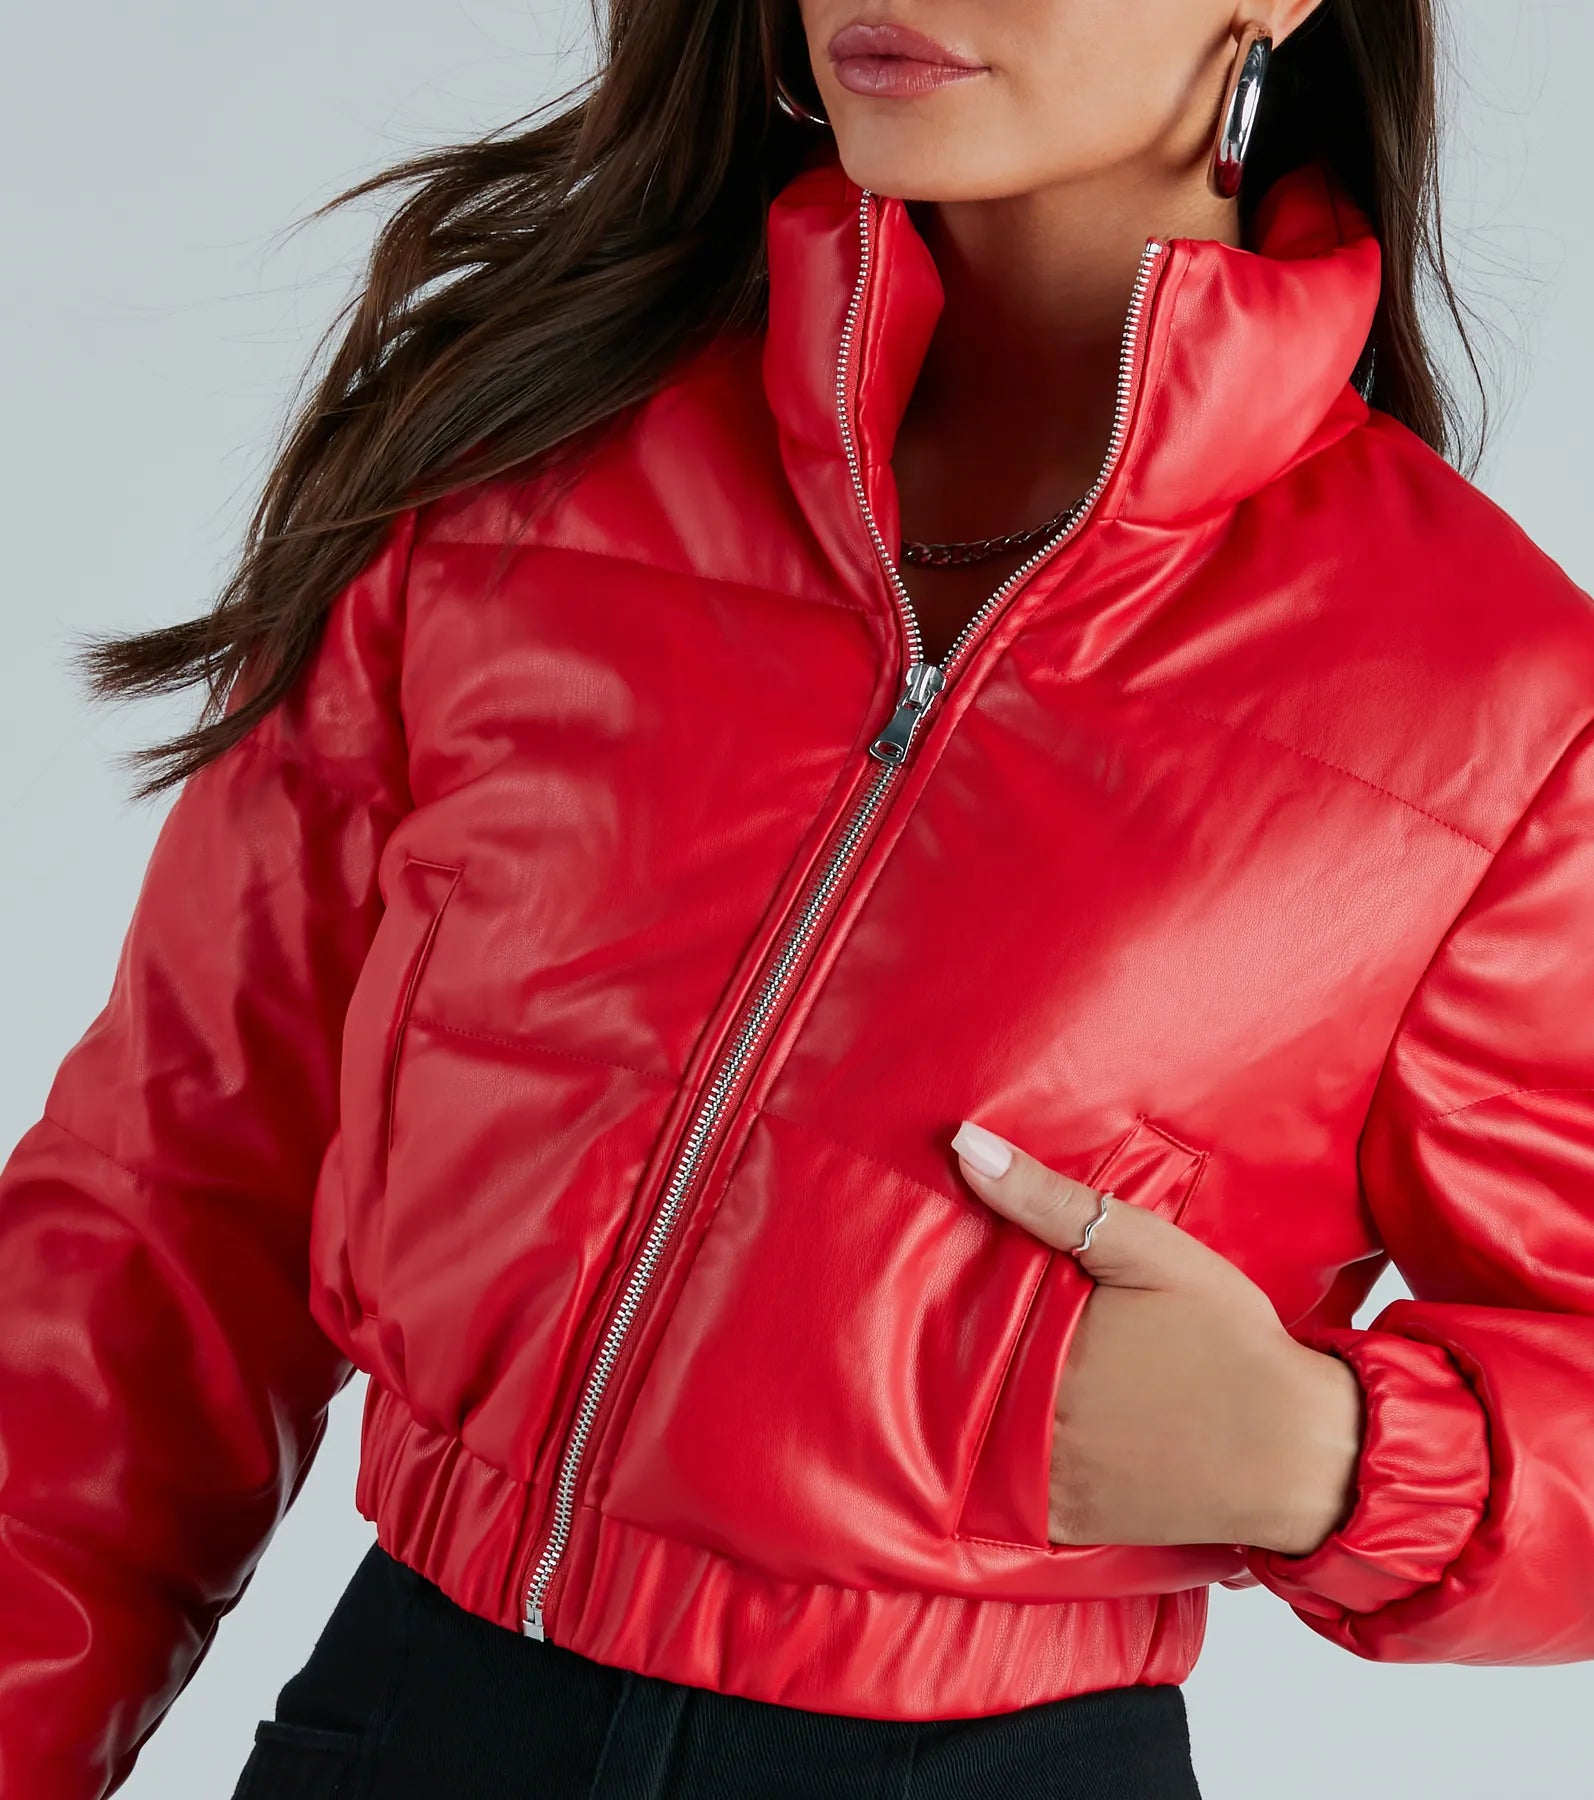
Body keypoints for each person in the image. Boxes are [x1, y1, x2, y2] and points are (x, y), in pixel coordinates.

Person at [3, 1, 1593, 1796]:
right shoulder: (517, 465)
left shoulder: (1496, 703)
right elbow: (166, 1209)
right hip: (407, 1730)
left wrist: (1333, 1457)